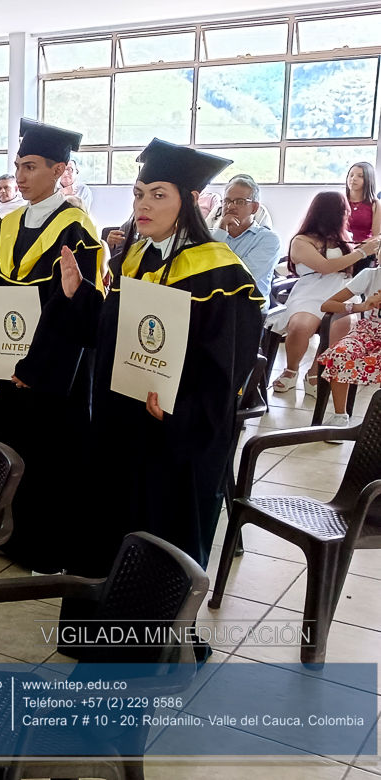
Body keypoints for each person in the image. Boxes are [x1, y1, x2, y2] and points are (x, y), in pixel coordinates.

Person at [51, 139, 263, 575]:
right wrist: (80, 297)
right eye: (138, 193)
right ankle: (100, 635)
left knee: (160, 532)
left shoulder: (220, 274)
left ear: (189, 202)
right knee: (110, 524)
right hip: (121, 421)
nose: (143, 205)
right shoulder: (135, 258)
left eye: (158, 194)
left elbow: (228, 369)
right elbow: (112, 336)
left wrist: (182, 410)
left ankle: (151, 642)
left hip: (172, 434)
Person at [0, 118, 103, 575]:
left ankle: (42, 547)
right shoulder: (7, 226)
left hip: (52, 373)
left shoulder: (78, 230)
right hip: (4, 359)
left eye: (31, 166)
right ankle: (5, 536)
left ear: (60, 170)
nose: (20, 175)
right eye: (17, 165)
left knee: (49, 458)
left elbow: (75, 309)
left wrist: (36, 369)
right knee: (8, 447)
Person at [267, 192, 378, 395]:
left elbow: (351, 267)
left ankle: (315, 372)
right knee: (300, 327)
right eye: (343, 211)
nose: (347, 215)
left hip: (341, 291)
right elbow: (325, 266)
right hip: (309, 293)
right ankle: (291, 370)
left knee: (343, 324)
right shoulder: (301, 241)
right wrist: (362, 252)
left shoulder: (345, 239)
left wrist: (367, 250)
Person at [318, 262, 381, 428]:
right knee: (340, 352)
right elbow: (327, 305)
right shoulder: (370, 275)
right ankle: (340, 416)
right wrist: (361, 306)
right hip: (368, 332)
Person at [211, 174, 281, 303]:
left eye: (239, 201)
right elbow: (201, 266)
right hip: (211, 303)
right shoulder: (212, 235)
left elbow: (243, 278)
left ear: (254, 208)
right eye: (227, 201)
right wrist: (221, 231)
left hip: (248, 305)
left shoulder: (267, 239)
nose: (230, 206)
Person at [346, 161, 381, 243]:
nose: (353, 178)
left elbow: (376, 237)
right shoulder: (339, 201)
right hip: (340, 247)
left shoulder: (375, 205)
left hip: (364, 249)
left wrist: (358, 248)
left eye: (360, 176)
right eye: (351, 175)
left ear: (368, 179)